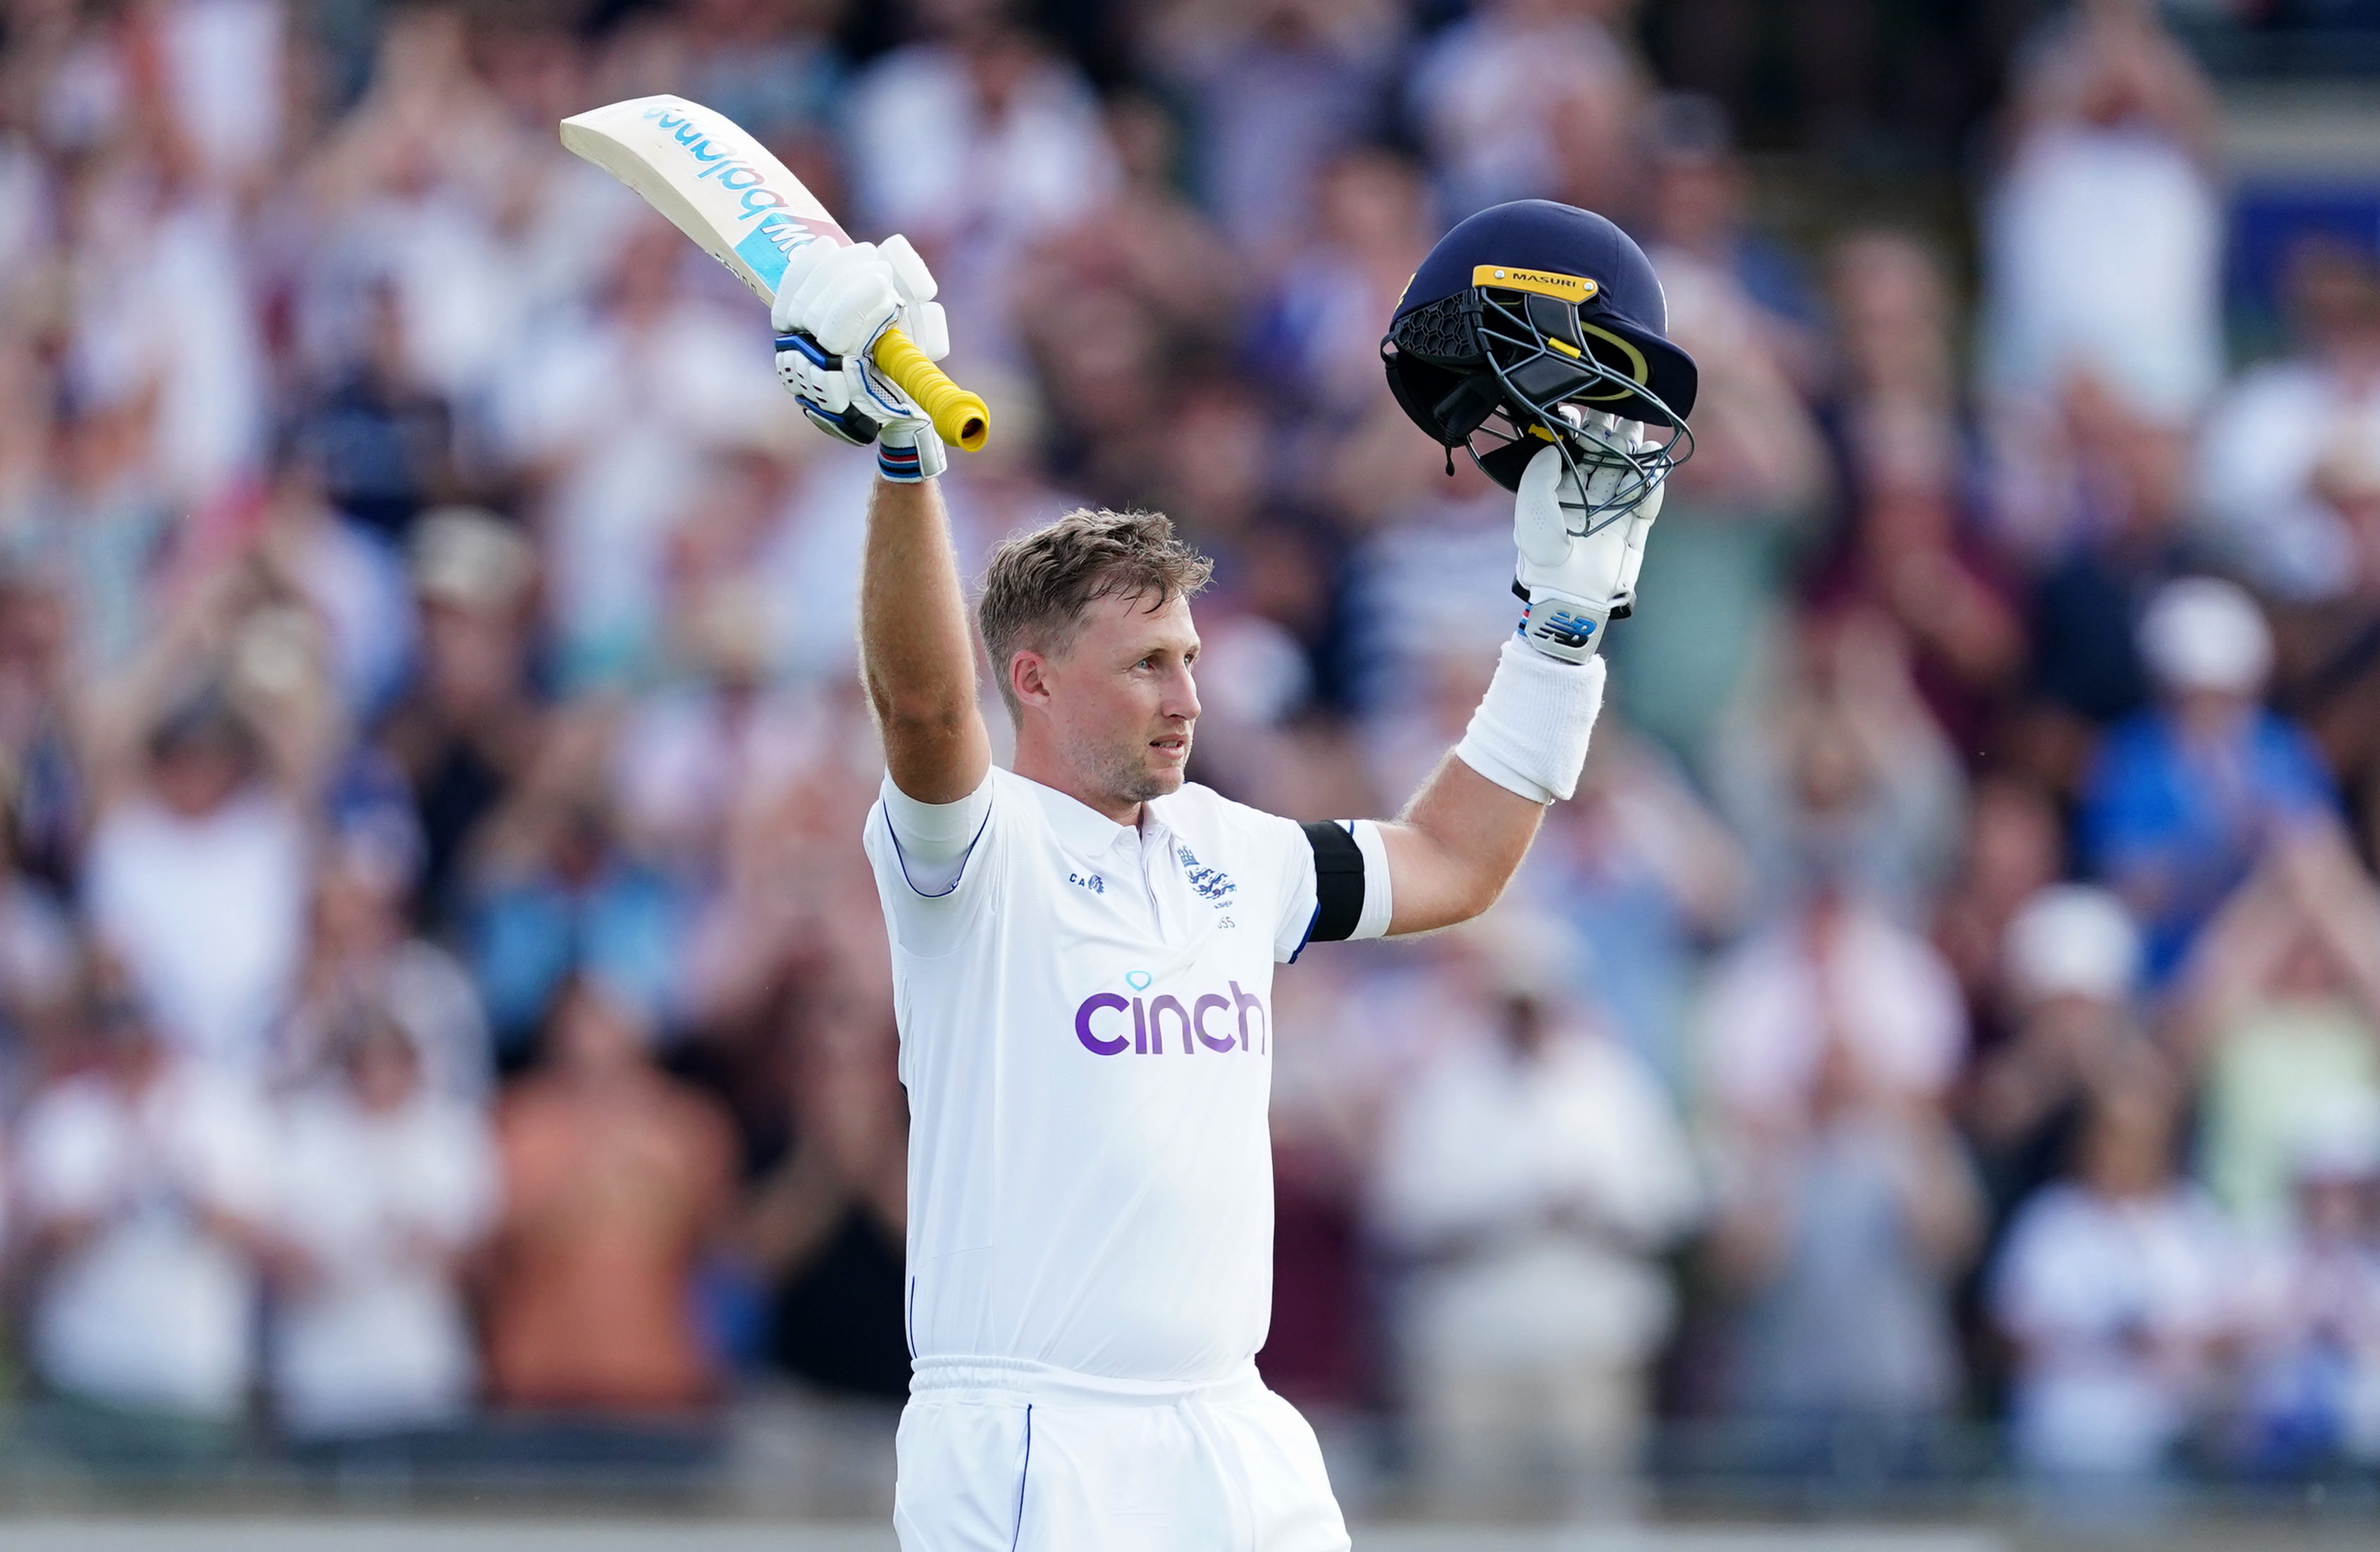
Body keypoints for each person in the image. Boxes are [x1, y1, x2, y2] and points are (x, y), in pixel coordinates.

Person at [765, 198, 1695, 1548]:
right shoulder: (973, 854)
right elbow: (918, 711)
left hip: (1232, 1427)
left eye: (1191, 658)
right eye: (1145, 663)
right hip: (1034, 1438)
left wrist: (1558, 635)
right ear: (1031, 677)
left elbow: (1454, 860)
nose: (1184, 695)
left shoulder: (1230, 852)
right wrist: (905, 461)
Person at [1370, 912, 1701, 1513]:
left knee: (1591, 1517)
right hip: (1473, 1347)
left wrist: (1592, 1206)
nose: (1525, 1017)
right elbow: (1404, 1213)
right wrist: (1509, 1209)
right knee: (1471, 1518)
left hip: (1589, 1345)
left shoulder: (1610, 1082)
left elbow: (1669, 1205)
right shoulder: (1447, 1087)